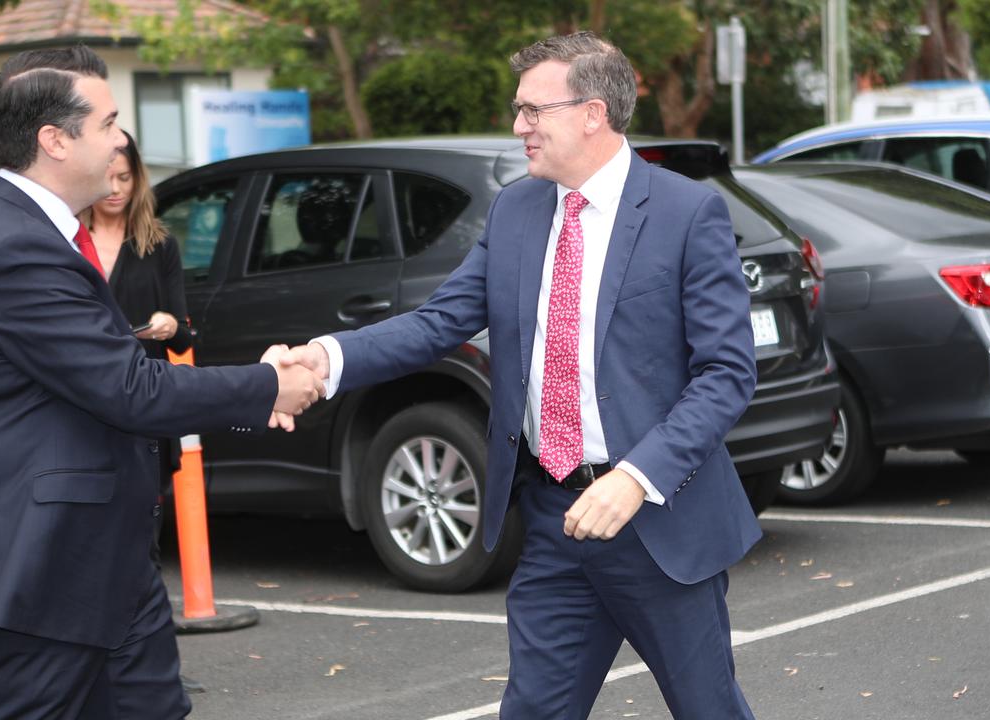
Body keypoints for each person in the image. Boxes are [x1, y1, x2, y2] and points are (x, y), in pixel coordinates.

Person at [280, 32, 760, 719]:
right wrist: (327, 359)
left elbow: (725, 375)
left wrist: (636, 476)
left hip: (658, 523)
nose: (518, 127)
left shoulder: (686, 214)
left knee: (707, 708)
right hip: (555, 517)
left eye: (534, 111)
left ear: (593, 113)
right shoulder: (516, 210)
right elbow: (438, 322)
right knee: (533, 709)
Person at [0, 45, 322, 719]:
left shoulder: (37, 236)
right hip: (27, 590)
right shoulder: (15, 248)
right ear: (55, 140)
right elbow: (130, 391)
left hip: (99, 571)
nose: (121, 140)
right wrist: (266, 387)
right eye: (107, 122)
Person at [78, 129, 188, 488]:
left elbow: (183, 338)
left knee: (144, 525)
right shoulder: (68, 241)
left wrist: (169, 323)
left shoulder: (160, 244)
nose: (115, 189)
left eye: (124, 178)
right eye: (106, 178)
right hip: (86, 401)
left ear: (138, 179)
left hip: (145, 400)